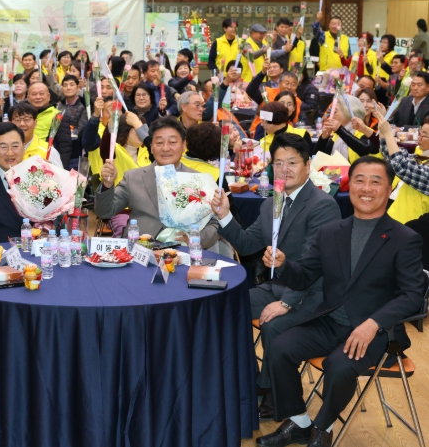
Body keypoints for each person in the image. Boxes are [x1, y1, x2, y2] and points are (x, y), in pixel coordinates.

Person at [258, 156, 426, 447]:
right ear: (351, 186)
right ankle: (299, 421)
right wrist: (284, 265)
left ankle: (323, 427)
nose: (366, 188)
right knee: (279, 346)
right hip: (330, 321)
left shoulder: (405, 238)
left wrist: (373, 323)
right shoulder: (331, 232)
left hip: (376, 332)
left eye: (376, 182)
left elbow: (412, 295)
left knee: (338, 366)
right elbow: (304, 276)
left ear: (389, 189)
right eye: (359, 180)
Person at [212, 134, 340, 419]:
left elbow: (316, 265)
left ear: (307, 165)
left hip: (312, 294)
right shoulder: (272, 202)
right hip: (278, 285)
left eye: (292, 162)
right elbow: (247, 245)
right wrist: (225, 215)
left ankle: (273, 391)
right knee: (228, 308)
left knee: (273, 325)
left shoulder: (322, 205)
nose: (284, 169)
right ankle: (254, 379)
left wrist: (287, 303)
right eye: (279, 163)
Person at [95, 117, 221, 246]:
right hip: (140, 250)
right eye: (159, 142)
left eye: (172, 142)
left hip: (183, 251)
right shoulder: (133, 177)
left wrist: (193, 239)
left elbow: (215, 223)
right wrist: (107, 185)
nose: (165, 148)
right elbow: (105, 212)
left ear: (184, 145)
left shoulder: (198, 179)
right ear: (151, 146)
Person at [379, 113, 429, 223]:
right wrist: (383, 120)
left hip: (412, 226)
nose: (419, 138)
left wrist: (388, 133)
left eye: (424, 135)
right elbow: (390, 153)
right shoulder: (422, 156)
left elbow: (402, 167)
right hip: (395, 216)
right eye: (419, 133)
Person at [317, 94, 378, 162]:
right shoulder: (336, 135)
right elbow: (318, 157)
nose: (331, 115)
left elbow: (364, 150)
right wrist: (323, 138)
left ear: (348, 112)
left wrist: (339, 129)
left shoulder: (368, 133)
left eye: (335, 111)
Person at [27, 82, 72, 168]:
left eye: (41, 93)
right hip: (25, 161)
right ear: (28, 98)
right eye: (34, 94)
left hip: (47, 164)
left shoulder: (58, 116)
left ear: (49, 96)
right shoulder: (23, 116)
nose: (38, 97)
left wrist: (60, 170)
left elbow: (65, 147)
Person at [9, 102, 64, 167]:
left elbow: (60, 173)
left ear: (35, 123)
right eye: (17, 120)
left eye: (27, 119)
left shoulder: (48, 151)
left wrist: (51, 170)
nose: (22, 124)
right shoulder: (3, 149)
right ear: (10, 123)